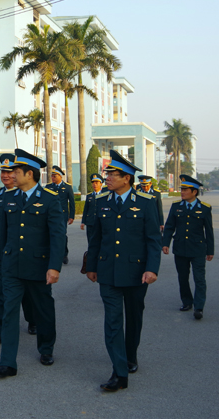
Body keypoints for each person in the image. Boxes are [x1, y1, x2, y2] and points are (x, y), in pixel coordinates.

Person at [86, 150, 161, 392]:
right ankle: (119, 372)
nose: (106, 178)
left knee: (134, 317)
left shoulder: (146, 203)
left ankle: (130, 355)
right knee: (113, 321)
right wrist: (92, 267)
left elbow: (152, 240)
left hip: (137, 272)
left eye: (112, 174)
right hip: (108, 271)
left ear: (127, 178)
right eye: (107, 174)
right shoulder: (100, 202)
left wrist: (151, 269)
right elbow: (95, 239)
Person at [0, 149, 65, 377]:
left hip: (38, 267)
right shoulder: (8, 199)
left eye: (16, 171)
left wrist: (54, 267)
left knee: (43, 309)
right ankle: (8, 362)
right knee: (9, 312)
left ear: (30, 174)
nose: (11, 175)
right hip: (11, 266)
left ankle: (46, 348)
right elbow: (1, 234)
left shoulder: (50, 200)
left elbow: (57, 236)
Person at [0, 154, 37, 347]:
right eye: (3, 172)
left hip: (23, 253)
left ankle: (32, 319)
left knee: (27, 292)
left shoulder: (27, 194)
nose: (6, 176)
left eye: (10, 172)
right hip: (0, 252)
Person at [162, 174, 214, 320]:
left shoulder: (204, 208)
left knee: (199, 278)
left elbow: (209, 232)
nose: (182, 192)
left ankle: (199, 307)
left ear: (194, 192)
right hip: (180, 248)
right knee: (183, 277)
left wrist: (210, 250)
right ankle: (187, 301)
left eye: (185, 190)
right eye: (181, 189)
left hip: (198, 249)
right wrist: (165, 243)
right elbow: (169, 226)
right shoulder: (176, 206)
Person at [45, 165, 75, 264]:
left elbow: (71, 202)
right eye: (52, 176)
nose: (52, 178)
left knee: (62, 235)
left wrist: (71, 216)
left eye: (55, 176)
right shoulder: (48, 187)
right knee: (50, 234)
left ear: (60, 176)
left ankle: (64, 254)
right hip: (50, 215)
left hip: (62, 215)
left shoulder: (67, 187)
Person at [81, 173, 105, 244]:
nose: (95, 184)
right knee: (90, 241)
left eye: (97, 183)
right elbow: (86, 209)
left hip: (101, 222)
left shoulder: (104, 195)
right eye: (93, 183)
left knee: (100, 241)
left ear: (101, 184)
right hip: (90, 222)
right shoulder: (89, 196)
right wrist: (83, 222)